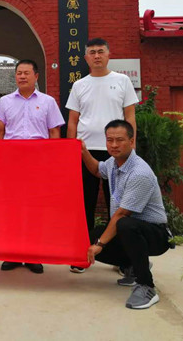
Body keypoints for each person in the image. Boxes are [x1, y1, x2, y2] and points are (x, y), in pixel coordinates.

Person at [81, 119, 171, 310]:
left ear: (131, 141)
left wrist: (99, 245)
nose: (114, 145)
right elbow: (97, 169)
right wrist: (83, 152)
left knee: (123, 225)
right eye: (110, 140)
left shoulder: (139, 173)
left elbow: (122, 214)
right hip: (131, 231)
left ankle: (146, 286)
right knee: (89, 237)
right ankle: (132, 265)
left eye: (119, 140)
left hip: (156, 235)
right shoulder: (113, 163)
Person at [66, 38, 139, 273]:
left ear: (108, 55)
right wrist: (71, 150)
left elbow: (130, 116)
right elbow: (73, 121)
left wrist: (131, 147)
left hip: (116, 152)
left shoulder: (122, 81)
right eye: (92, 52)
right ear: (86, 58)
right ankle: (82, 255)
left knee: (116, 206)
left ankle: (121, 257)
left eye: (100, 51)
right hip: (85, 151)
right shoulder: (79, 85)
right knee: (84, 204)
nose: (96, 56)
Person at [0, 59, 65, 274]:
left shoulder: (48, 102)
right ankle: (13, 253)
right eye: (19, 73)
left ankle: (34, 254)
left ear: (36, 76)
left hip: (38, 160)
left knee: (35, 208)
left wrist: (53, 161)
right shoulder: (5, 101)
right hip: (12, 160)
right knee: (12, 208)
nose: (22, 76)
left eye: (26, 73)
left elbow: (54, 132)